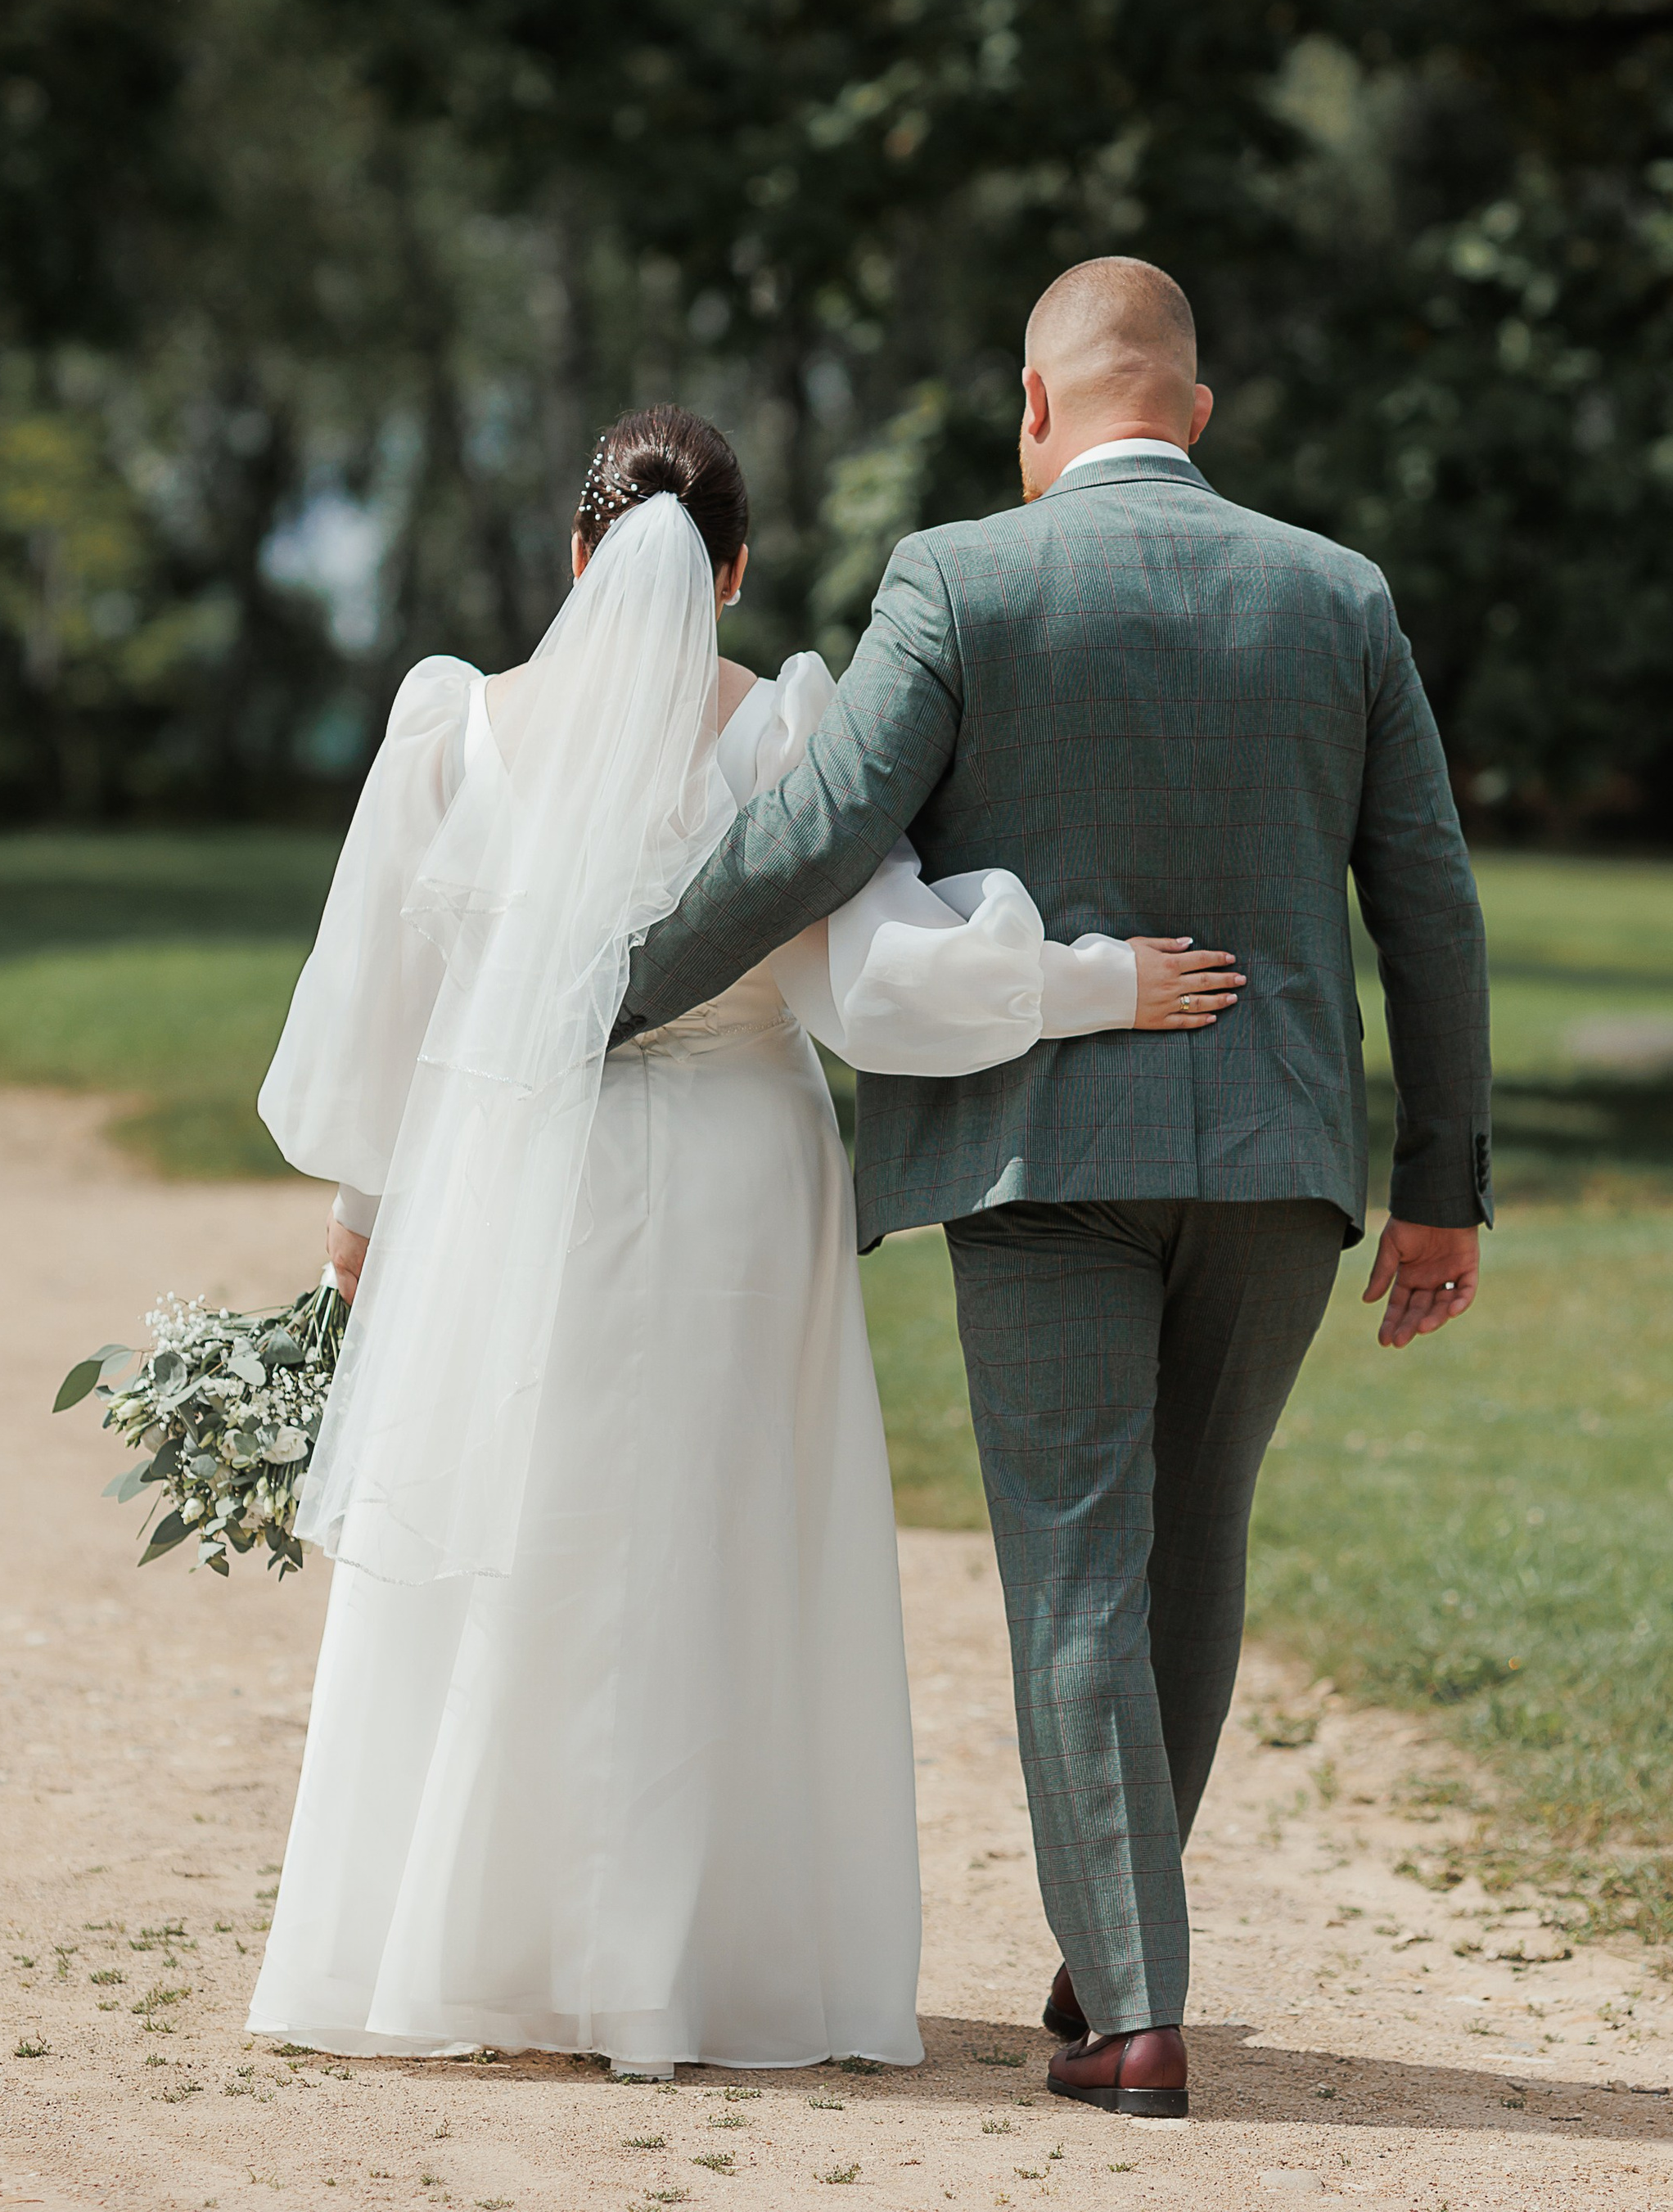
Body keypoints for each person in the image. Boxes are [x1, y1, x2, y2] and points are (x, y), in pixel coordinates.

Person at [245, 403, 1239, 2077]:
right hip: (732, 1177)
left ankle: (471, 1948)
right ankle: (683, 1968)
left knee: (517, 1534)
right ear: (736, 572)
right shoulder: (781, 728)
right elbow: (874, 976)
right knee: (713, 1547)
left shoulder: (447, 730)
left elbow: (393, 1019)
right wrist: (1089, 979)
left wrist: (365, 1228)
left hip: (511, 1174)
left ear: (575, 555)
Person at [616, 262, 1492, 2122]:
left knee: (1079, 1562)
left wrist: (600, 988)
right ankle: (1116, 1964)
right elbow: (1426, 897)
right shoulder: (1337, 596)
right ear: (1194, 406)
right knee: (1194, 1545)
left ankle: (1137, 2011)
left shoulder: (957, 577)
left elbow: (813, 836)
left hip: (1041, 1161)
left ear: (1034, 408)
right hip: (1274, 1165)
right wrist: (1442, 1188)